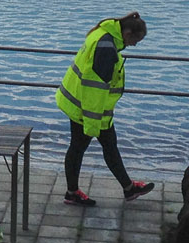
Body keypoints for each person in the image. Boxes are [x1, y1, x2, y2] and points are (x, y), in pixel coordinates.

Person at [56, 12, 154, 206]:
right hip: (87, 110)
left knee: (102, 146)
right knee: (81, 147)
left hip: (79, 102)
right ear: (126, 32)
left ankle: (128, 188)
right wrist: (92, 124)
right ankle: (73, 193)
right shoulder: (107, 50)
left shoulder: (104, 31)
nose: (135, 44)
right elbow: (94, 90)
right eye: (136, 39)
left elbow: (92, 83)